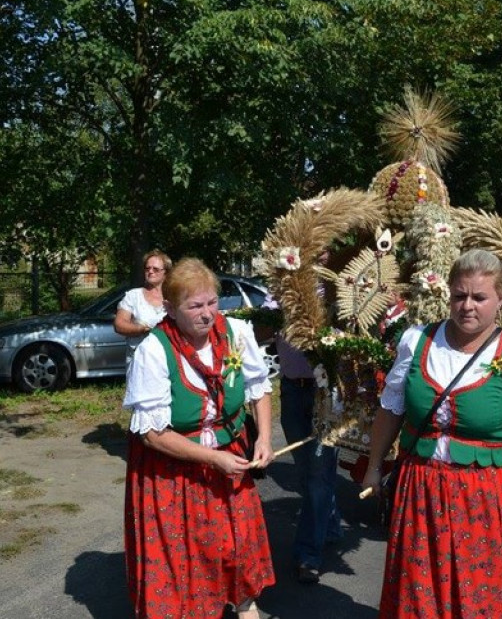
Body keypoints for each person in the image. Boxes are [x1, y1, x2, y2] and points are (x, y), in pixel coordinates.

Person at [362, 249, 502, 618]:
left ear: (501, 301)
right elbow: (390, 409)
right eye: (459, 295)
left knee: (479, 599)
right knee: (418, 593)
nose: (467, 306)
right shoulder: (417, 342)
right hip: (419, 490)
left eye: (479, 297)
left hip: (486, 499)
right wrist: (374, 465)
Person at [123, 258, 275, 619]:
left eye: (211, 303)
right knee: (185, 553)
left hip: (229, 458)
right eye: (195, 306)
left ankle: (243, 603)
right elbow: (152, 434)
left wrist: (264, 438)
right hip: (173, 470)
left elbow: (259, 389)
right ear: (171, 309)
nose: (207, 314)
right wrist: (212, 458)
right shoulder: (154, 349)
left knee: (235, 544)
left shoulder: (236, 332)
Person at [277, 335, 343, 584]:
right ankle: (331, 523)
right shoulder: (282, 295)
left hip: (326, 390)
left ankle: (308, 555)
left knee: (317, 475)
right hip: (292, 388)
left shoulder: (337, 296)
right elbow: (263, 329)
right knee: (307, 472)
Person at [115, 250, 172, 362]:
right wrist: (139, 329)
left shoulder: (174, 297)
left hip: (167, 358)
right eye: (147, 268)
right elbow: (119, 324)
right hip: (138, 358)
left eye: (155, 269)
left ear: (166, 273)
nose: (150, 271)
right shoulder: (133, 296)